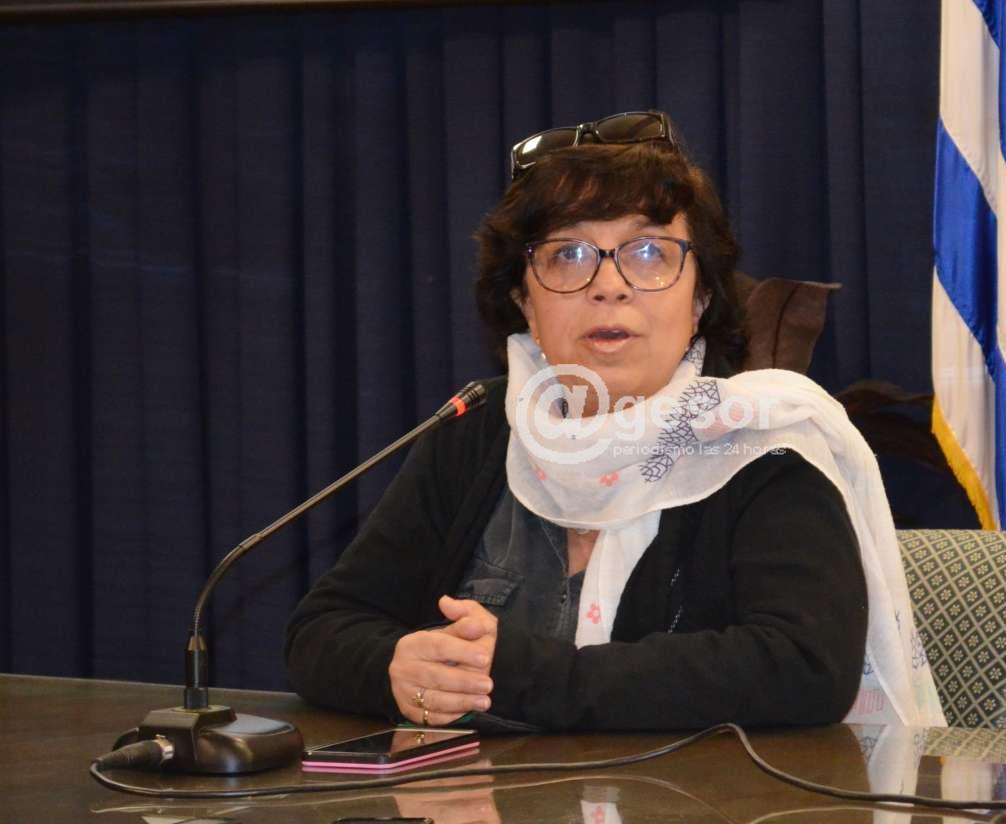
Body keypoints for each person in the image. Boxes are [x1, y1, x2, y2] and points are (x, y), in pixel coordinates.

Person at [284, 111, 944, 731]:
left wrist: (519, 675)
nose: (609, 285)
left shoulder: (758, 441)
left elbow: (803, 667)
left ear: (700, 297)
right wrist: (397, 667)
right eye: (567, 255)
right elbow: (322, 630)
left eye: (650, 252)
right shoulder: (478, 431)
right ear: (525, 303)